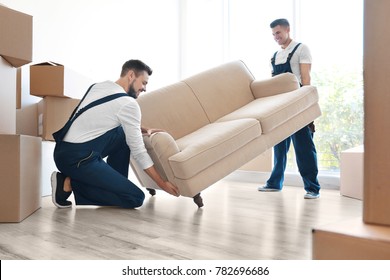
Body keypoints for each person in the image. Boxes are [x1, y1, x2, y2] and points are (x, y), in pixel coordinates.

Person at [51, 59, 180, 209]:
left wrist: (142, 128)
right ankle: (67, 183)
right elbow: (139, 151)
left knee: (124, 134)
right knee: (135, 198)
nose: (144, 88)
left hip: (63, 152)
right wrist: (162, 183)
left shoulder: (98, 87)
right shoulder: (128, 104)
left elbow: (99, 119)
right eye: (144, 83)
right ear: (131, 75)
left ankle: (115, 184)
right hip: (79, 160)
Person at [258, 18, 321, 199]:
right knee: (279, 146)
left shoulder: (301, 49)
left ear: (287, 30)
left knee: (303, 146)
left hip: (297, 104)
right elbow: (274, 84)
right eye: (273, 34)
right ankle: (274, 183)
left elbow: (306, 79)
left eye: (278, 33)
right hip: (279, 105)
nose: (276, 37)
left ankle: (312, 188)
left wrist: (307, 106)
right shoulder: (275, 56)